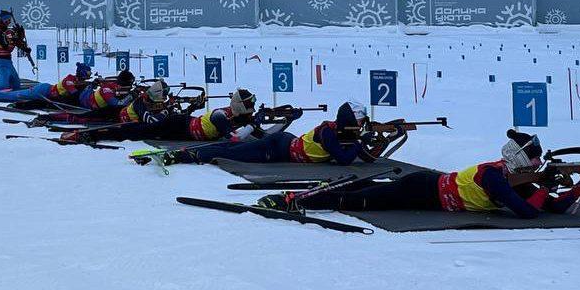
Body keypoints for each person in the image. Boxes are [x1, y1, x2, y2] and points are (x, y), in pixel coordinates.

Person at [257, 129, 580, 217]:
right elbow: (527, 211)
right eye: (532, 160)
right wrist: (543, 186)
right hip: (423, 189)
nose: (537, 165)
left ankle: (313, 195)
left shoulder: (516, 178)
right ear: (518, 160)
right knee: (360, 201)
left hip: (430, 195)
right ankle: (295, 200)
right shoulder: (495, 176)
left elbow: (554, 208)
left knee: (367, 196)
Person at [151, 101, 368, 166]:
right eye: (358, 120)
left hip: (283, 144)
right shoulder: (329, 132)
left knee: (234, 148)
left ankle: (189, 153)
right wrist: (359, 144)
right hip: (276, 148)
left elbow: (358, 155)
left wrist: (363, 143)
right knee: (232, 151)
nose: (360, 125)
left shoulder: (340, 131)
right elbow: (344, 159)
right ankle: (187, 155)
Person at [65, 88, 257, 144]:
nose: (252, 109)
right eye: (249, 106)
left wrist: (254, 125)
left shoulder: (235, 115)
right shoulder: (221, 116)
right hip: (177, 126)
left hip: (183, 130)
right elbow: (234, 139)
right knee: (136, 131)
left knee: (140, 130)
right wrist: (252, 125)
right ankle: (89, 134)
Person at [44, 70, 136, 125]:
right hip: (83, 100)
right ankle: (47, 115)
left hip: (87, 96)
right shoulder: (107, 90)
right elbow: (117, 104)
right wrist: (130, 96)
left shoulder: (114, 86)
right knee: (77, 113)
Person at [0, 62, 92, 105]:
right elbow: (75, 94)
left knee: (13, 94)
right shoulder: (69, 81)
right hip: (43, 91)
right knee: (12, 96)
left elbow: (80, 86)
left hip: (45, 91)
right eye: (87, 73)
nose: (88, 75)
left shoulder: (76, 80)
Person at [0, 10, 25, 91]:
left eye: (9, 20)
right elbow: (7, 47)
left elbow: (17, 44)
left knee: (16, 86)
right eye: (6, 20)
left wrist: (20, 37)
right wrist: (16, 39)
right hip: (1, 63)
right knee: (3, 86)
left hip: (9, 62)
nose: (8, 22)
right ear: (1, 20)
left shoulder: (8, 32)